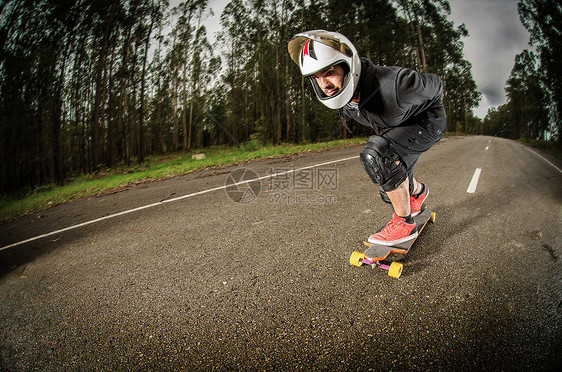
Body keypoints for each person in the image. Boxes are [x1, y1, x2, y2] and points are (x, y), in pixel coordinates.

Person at [288, 30, 446, 246]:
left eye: (329, 73)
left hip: (428, 122)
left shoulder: (397, 85)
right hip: (399, 126)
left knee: (378, 156)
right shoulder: (344, 96)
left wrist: (418, 107)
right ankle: (417, 192)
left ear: (348, 66)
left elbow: (436, 84)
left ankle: (403, 224)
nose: (324, 84)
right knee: (393, 182)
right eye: (317, 78)